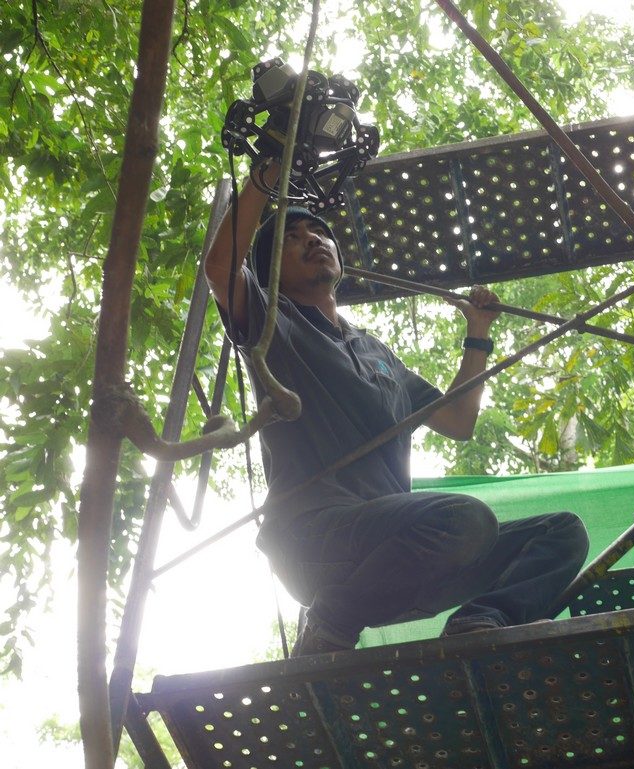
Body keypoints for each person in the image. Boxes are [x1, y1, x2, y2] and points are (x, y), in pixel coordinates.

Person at [204, 161, 589, 655]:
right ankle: (331, 621)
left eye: (319, 231)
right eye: (292, 237)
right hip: (317, 542)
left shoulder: (375, 352)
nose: (312, 239)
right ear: (270, 273)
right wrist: (263, 179)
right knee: (465, 517)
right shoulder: (272, 325)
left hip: (402, 560)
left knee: (561, 533)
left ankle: (479, 624)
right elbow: (220, 269)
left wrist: (478, 334)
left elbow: (457, 420)